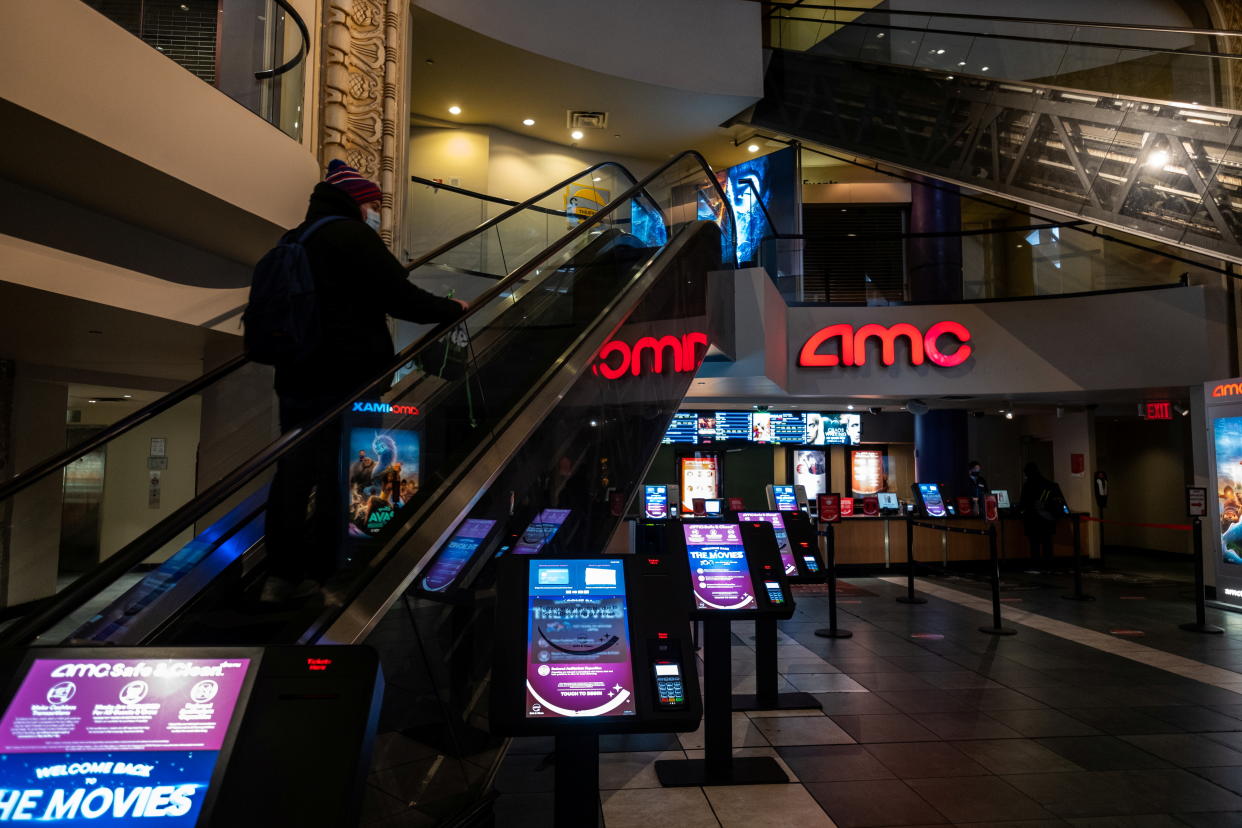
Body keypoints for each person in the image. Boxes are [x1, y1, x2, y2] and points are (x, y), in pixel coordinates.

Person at [261, 160, 467, 603]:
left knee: (294, 473)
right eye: (374, 203)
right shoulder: (352, 236)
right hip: (346, 377)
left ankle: (280, 577)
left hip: (295, 377)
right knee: (346, 473)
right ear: (357, 201)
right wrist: (454, 310)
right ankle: (327, 574)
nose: (376, 211)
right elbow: (399, 296)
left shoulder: (295, 238)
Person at [1018, 462, 1066, 566]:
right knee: (1047, 542)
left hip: (1033, 519)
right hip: (1048, 519)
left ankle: (1036, 565)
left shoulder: (1028, 485)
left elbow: (1023, 503)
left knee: (1034, 544)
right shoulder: (1050, 484)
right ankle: (1048, 564)